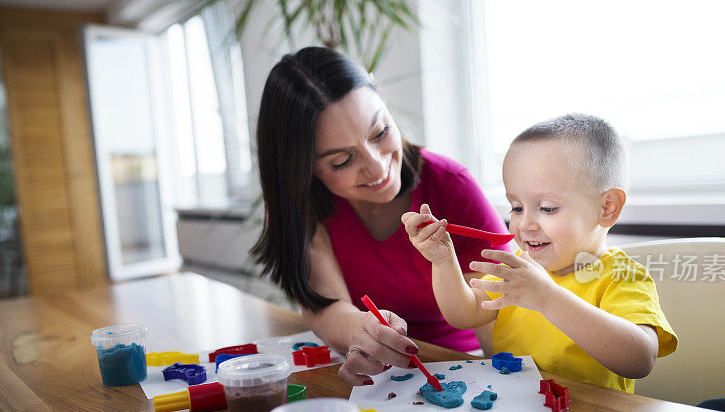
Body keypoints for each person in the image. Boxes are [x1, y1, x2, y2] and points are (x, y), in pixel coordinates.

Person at [250, 47, 510, 386]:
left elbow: (506, 306)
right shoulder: (302, 206)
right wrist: (359, 332)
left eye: (380, 132)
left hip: (467, 368)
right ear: (303, 168)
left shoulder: (451, 185)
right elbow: (323, 305)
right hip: (380, 381)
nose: (377, 167)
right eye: (341, 161)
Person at [402, 113, 678, 392]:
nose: (524, 224)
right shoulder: (517, 270)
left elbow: (640, 359)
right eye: (517, 207)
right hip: (515, 408)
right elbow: (464, 314)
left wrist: (548, 299)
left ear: (607, 208)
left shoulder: (621, 277)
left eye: (546, 208)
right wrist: (443, 260)